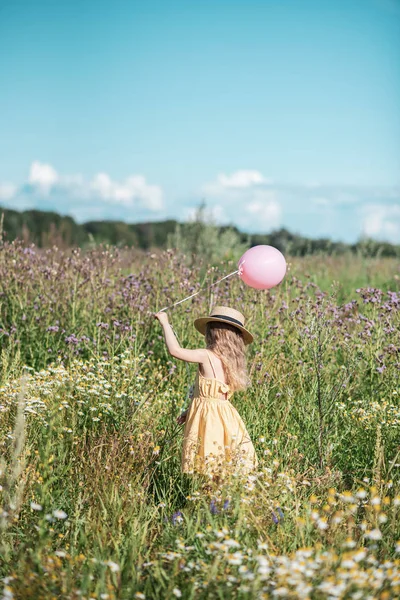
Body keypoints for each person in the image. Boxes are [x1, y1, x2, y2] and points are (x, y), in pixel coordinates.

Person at [154, 306, 258, 475]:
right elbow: (213, 394)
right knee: (220, 463)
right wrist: (189, 411)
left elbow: (175, 351)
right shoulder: (231, 362)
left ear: (213, 333)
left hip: (208, 419)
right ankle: (219, 499)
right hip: (225, 416)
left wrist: (165, 323)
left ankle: (211, 499)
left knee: (208, 463)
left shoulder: (206, 355)